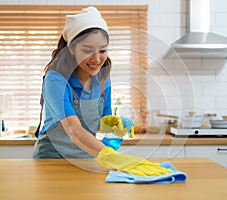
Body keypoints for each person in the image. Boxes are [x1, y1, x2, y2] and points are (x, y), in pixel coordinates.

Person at [33, 6, 171, 176]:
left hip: (87, 159)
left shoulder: (102, 78)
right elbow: (73, 128)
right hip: (52, 162)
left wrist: (112, 123)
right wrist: (110, 156)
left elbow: (98, 122)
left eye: (103, 50)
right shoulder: (56, 80)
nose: (97, 59)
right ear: (71, 49)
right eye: (87, 50)